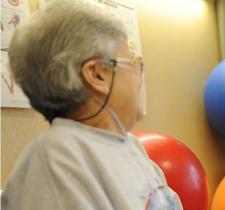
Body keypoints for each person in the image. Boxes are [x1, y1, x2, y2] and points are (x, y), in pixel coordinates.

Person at [1, 1, 182, 210]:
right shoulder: (57, 159)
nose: (139, 77)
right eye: (132, 62)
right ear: (97, 75)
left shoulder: (130, 146)